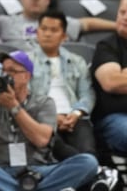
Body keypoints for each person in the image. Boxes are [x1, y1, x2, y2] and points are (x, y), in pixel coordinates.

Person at [0, 50, 99, 190]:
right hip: (1, 170)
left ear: (26, 76)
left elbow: (42, 140)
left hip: (38, 170)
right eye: (3, 70)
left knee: (88, 162)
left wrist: (13, 106)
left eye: (12, 71)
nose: (5, 76)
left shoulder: (44, 103)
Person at [28, 10, 97, 161]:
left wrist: (76, 113)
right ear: (37, 32)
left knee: (88, 150)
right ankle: (92, 169)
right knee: (63, 152)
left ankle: (90, 167)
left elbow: (87, 93)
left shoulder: (77, 61)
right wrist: (51, 116)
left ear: (64, 36)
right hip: (41, 119)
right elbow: (25, 96)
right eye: (44, 29)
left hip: (74, 118)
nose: (47, 34)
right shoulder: (26, 62)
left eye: (54, 30)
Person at [91, 0, 127, 155]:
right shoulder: (107, 46)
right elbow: (112, 83)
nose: (125, 17)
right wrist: (120, 78)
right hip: (115, 117)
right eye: (122, 12)